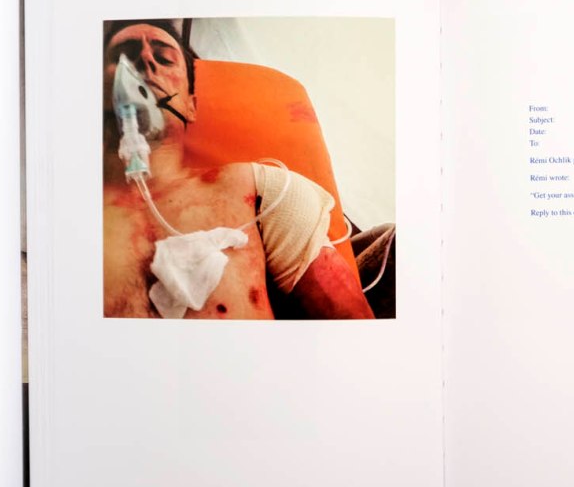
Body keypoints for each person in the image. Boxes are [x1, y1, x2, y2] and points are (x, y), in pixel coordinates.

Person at [101, 19, 374, 320]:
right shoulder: (67, 214)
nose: (145, 62)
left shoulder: (264, 193)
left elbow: (354, 331)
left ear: (191, 106)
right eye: (124, 56)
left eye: (164, 58)